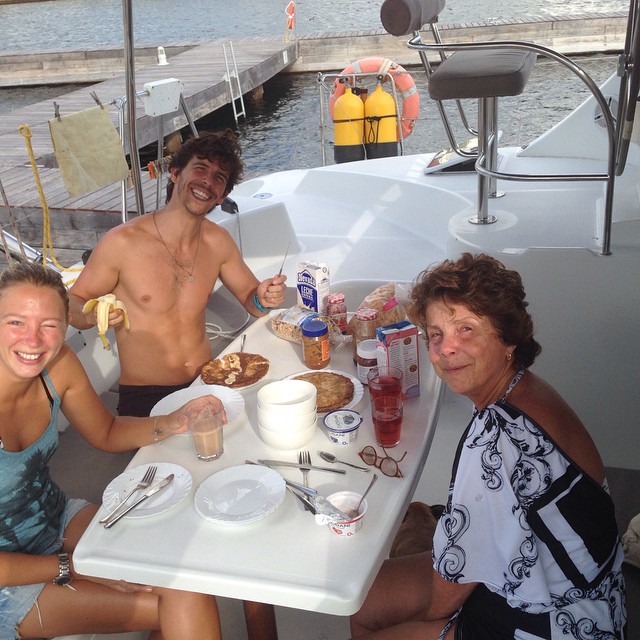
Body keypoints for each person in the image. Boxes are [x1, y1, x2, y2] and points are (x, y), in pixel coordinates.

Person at [350, 253, 626, 639]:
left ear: (507, 337)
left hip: (552, 620)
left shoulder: (496, 442)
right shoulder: (526, 389)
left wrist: (427, 623)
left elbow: (455, 579)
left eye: (466, 329)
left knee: (375, 621)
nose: (446, 348)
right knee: (365, 599)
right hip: (593, 596)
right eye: (435, 334)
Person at [0, 262, 224, 640]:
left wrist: (173, 421)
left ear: (66, 327)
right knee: (182, 602)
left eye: (49, 325)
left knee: (186, 576)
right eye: (16, 322)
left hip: (57, 521)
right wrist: (73, 566)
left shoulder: (57, 366)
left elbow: (105, 431)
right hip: (7, 581)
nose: (33, 340)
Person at [68, 129, 288, 417]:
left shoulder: (218, 242)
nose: (207, 181)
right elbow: (73, 302)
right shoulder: (122, 243)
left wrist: (264, 297)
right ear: (175, 173)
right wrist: (92, 315)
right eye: (200, 168)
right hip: (145, 396)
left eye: (219, 178)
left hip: (205, 381)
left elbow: (252, 301)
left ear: (222, 196)